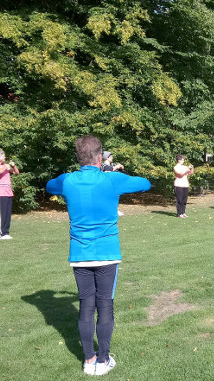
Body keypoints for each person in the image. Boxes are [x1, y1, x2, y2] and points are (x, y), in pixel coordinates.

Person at [46, 135, 151, 376]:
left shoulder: (67, 180)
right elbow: (145, 183)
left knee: (86, 306)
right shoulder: (111, 179)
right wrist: (110, 170)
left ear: (79, 157)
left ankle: (89, 359)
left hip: (80, 253)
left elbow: (50, 185)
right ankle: (102, 360)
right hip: (107, 252)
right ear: (98, 156)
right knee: (105, 306)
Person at [0, 149, 19, 239]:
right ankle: (1, 234)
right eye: (3, 156)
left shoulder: (4, 166)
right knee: (2, 213)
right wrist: (6, 166)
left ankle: (6, 233)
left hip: (8, 191)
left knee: (7, 213)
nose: (5, 157)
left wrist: (14, 165)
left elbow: (16, 173)